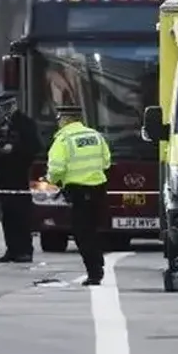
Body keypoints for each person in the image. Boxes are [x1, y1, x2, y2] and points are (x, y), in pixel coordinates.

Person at [44, 105, 110, 285]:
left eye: (59, 119)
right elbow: (106, 161)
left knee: (82, 233)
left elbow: (56, 168)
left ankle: (94, 272)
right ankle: (98, 261)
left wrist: (51, 179)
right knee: (93, 230)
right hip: (98, 189)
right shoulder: (95, 135)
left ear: (65, 119)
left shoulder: (64, 139)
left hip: (79, 191)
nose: (58, 123)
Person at [0, 92, 40, 263]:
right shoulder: (0, 125)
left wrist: (15, 150)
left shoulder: (25, 124)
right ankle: (12, 249)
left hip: (19, 175)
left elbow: (35, 147)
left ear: (14, 105)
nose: (4, 111)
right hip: (3, 176)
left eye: (7, 107)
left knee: (21, 215)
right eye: (1, 107)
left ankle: (25, 250)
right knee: (7, 216)